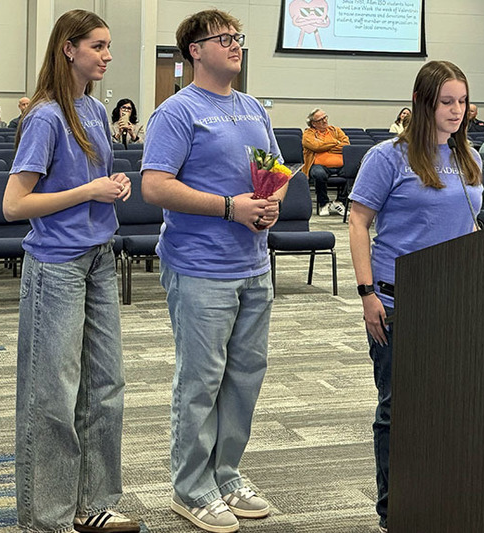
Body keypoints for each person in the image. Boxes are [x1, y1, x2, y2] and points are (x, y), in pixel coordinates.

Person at [141, 9, 283, 533]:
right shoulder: (177, 112)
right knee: (200, 379)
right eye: (223, 39)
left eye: (238, 38)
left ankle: (226, 473)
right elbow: (155, 185)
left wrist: (270, 200)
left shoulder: (251, 108)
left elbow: (271, 171)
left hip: (252, 263)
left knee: (245, 375)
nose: (235, 46)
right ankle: (191, 486)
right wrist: (230, 207)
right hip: (200, 266)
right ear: (194, 51)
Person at [2, 9, 139, 533]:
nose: (107, 55)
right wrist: (89, 191)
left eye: (109, 46)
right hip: (56, 263)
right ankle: (48, 517)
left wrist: (112, 185)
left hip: (99, 257)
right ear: (69, 48)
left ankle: (93, 502)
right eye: (99, 46)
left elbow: (93, 179)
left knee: (105, 385)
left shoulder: (94, 111)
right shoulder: (45, 116)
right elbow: (16, 204)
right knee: (52, 392)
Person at [348, 60, 482, 533]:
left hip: (456, 298)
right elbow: (358, 221)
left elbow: (466, 226)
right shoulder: (389, 156)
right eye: (447, 102)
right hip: (397, 297)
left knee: (449, 404)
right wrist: (366, 293)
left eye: (462, 101)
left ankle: (441, 493)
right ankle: (394, 510)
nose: (457, 110)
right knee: (398, 407)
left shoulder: (470, 157)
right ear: (424, 104)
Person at [302, 108, 350, 216]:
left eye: (325, 117)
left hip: (341, 165)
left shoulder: (336, 130)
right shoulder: (308, 134)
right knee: (319, 174)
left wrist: (324, 145)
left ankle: (339, 202)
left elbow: (346, 145)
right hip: (318, 165)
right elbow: (315, 146)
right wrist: (335, 142)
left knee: (353, 171)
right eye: (320, 119)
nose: (324, 121)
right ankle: (323, 203)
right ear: (313, 123)